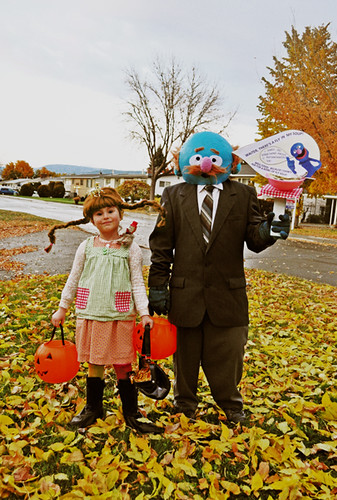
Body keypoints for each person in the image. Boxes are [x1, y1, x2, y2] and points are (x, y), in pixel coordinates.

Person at [148, 132, 290, 424]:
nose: (206, 165)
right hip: (185, 295)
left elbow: (254, 238)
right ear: (183, 162)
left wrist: (269, 231)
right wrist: (158, 285)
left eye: (214, 158)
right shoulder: (173, 196)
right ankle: (184, 403)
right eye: (198, 158)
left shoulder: (243, 195)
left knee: (228, 353)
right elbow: (161, 245)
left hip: (228, 294)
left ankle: (231, 404)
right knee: (185, 357)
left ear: (230, 163)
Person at [48, 187, 164, 434]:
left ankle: (131, 412)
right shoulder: (86, 246)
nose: (106, 216)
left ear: (121, 213)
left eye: (111, 210)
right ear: (91, 220)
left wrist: (144, 312)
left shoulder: (130, 248)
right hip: (91, 312)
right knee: (95, 362)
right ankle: (93, 407)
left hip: (120, 315)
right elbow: (74, 278)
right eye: (99, 213)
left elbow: (136, 282)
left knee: (123, 363)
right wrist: (62, 308)